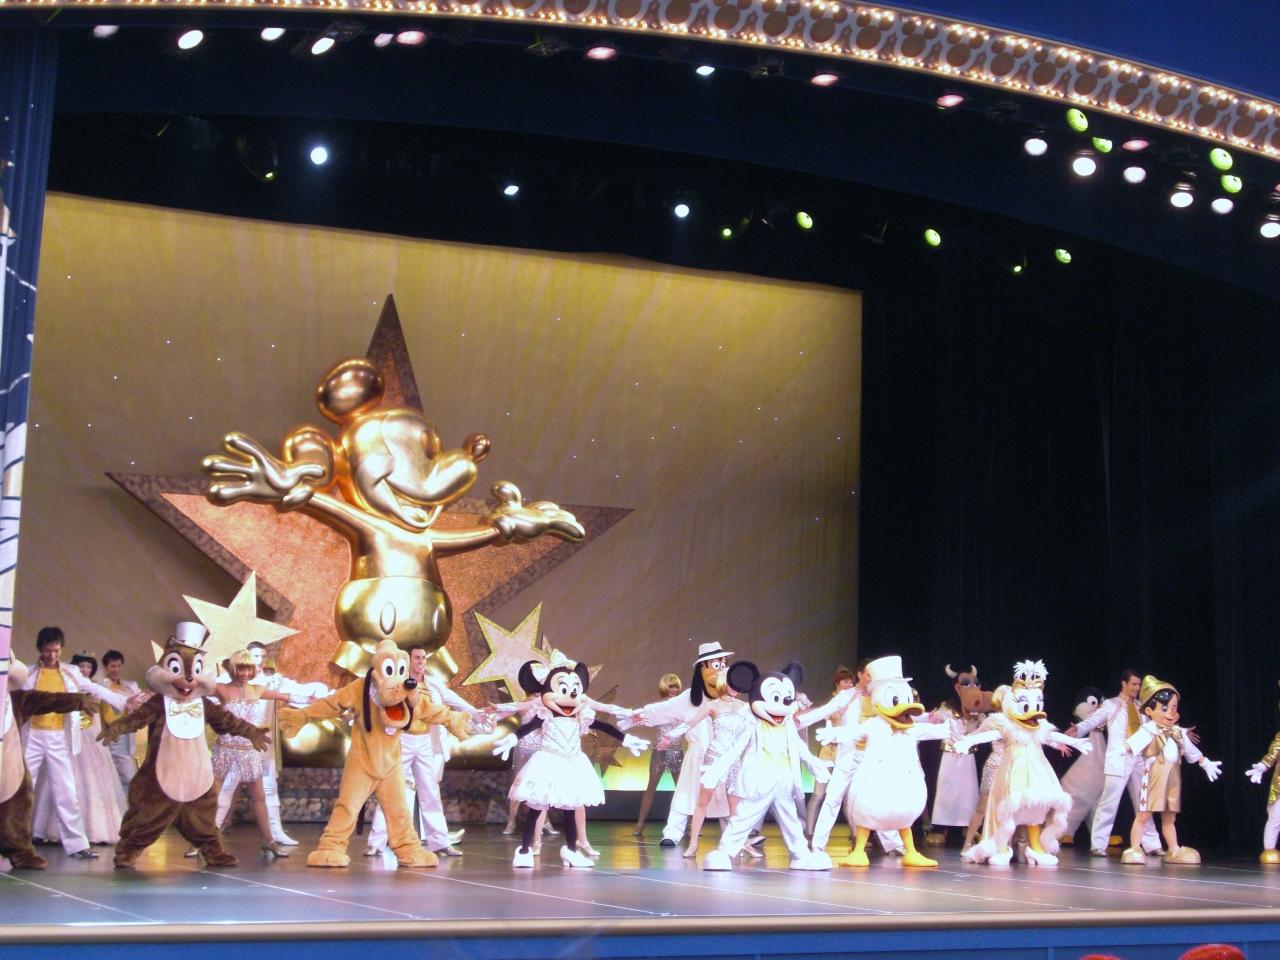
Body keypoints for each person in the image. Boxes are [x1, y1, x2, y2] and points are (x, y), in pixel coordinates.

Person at [365, 644, 484, 858]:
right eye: (417, 658)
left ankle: (440, 843)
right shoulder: (398, 682)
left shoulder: (433, 684)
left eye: (423, 658)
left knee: (430, 792)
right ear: (408, 660)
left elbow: (455, 701)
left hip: (426, 742)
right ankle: (376, 842)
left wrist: (479, 714)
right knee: (392, 789)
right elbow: (377, 698)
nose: (421, 662)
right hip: (403, 740)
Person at [21, 627, 124, 860]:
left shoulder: (70, 673)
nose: (52, 655)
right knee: (23, 789)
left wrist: (125, 701)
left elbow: (95, 688)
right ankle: (13, 840)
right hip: (32, 736)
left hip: (58, 737)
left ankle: (77, 845)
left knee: (66, 790)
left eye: (56, 651)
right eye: (48, 651)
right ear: (40, 649)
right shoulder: (27, 673)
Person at [213, 641, 328, 846]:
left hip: (260, 746)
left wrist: (318, 696)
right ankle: (208, 836)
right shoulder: (225, 683)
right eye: (254, 656)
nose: (259, 661)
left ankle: (274, 835)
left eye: (262, 656)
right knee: (226, 789)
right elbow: (206, 697)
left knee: (266, 791)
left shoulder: (269, 682)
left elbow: (292, 693)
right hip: (233, 748)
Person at [631, 642, 736, 847]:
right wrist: (640, 714)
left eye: (723, 664)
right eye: (716, 665)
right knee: (685, 794)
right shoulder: (689, 698)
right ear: (703, 668)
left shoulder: (729, 698)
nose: (721, 669)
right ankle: (672, 833)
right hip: (696, 756)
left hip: (723, 757)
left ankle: (734, 837)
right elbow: (664, 709)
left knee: (726, 798)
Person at [1121, 676, 1221, 865]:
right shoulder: (1148, 730)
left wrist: (1205, 762)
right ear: (1149, 711)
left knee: (1169, 817)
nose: (1170, 713)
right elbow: (1130, 745)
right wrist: (1120, 752)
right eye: (1164, 709)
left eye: (1173, 707)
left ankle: (1173, 849)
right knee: (1144, 815)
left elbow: (1191, 751)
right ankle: (1134, 847)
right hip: (1154, 778)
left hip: (1173, 779)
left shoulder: (1177, 732)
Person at [1066, 669, 1164, 857]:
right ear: (1124, 684)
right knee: (1109, 802)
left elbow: (1155, 726)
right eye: (1134, 684)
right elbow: (1093, 720)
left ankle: (1152, 844)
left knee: (1143, 803)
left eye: (1139, 684)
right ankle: (1098, 844)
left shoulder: (1142, 707)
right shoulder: (1111, 705)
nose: (1137, 688)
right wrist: (1078, 729)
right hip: (1119, 758)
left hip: (1139, 758)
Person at [209, 649, 293, 859]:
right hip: (225, 750)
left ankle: (269, 841)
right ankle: (202, 841)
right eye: (241, 669)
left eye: (248, 669)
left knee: (260, 798)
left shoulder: (257, 690)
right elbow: (192, 692)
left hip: (248, 751)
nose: (245, 673)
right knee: (214, 797)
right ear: (233, 669)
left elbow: (288, 696)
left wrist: (318, 700)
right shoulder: (221, 689)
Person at [805, 666, 855, 838]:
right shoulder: (833, 703)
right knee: (818, 794)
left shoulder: (854, 702)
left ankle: (856, 835)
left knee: (847, 796)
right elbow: (821, 715)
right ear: (837, 683)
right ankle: (809, 831)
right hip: (828, 751)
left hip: (845, 751)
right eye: (845, 681)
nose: (849, 685)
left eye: (851, 682)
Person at [633, 673, 685, 839]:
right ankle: (640, 824)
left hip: (676, 750)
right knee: (651, 786)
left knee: (682, 789)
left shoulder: (683, 706)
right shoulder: (659, 707)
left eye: (675, 686)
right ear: (664, 688)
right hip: (659, 751)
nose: (673, 690)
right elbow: (646, 717)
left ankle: (688, 824)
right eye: (670, 686)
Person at [99, 650, 140, 787]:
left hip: (128, 731)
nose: (116, 669)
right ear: (106, 667)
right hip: (114, 732)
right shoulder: (101, 687)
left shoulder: (128, 685)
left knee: (123, 772)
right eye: (112, 666)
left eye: (119, 666)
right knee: (127, 775)